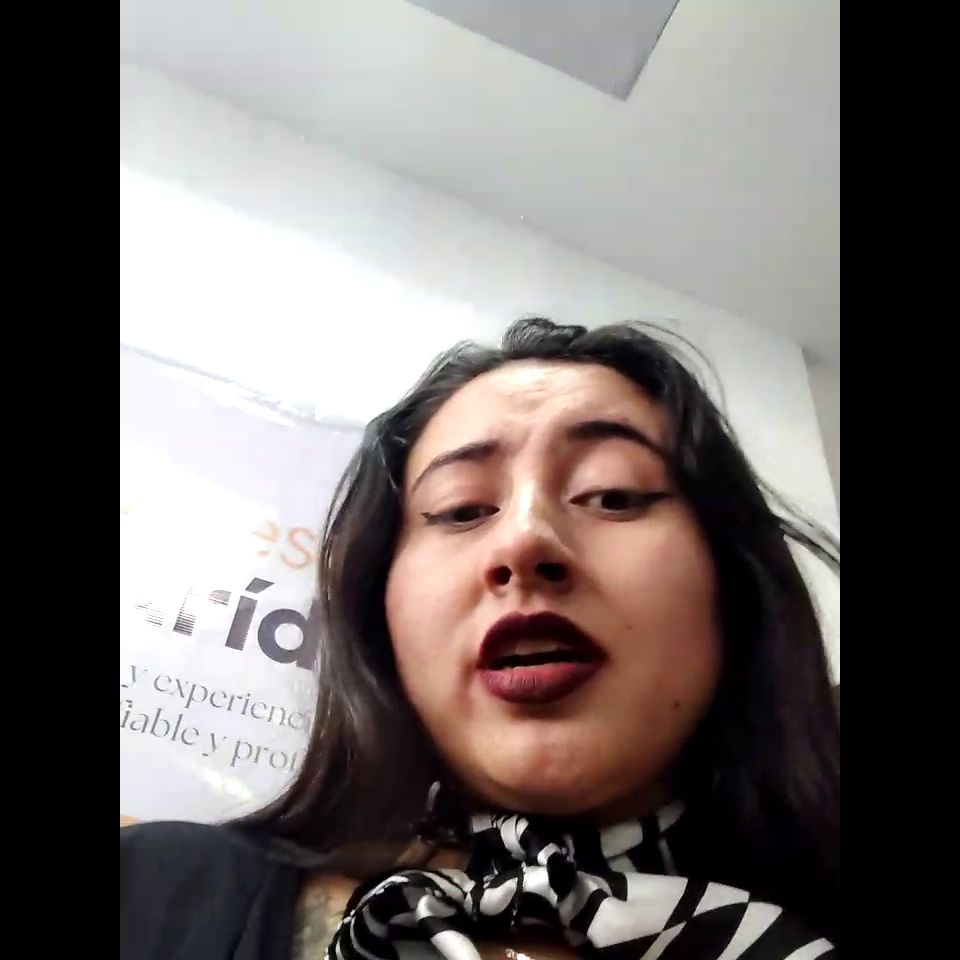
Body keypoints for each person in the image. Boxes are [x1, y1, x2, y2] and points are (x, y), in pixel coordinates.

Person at [121, 318, 840, 959]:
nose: (525, 539)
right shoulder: (151, 891)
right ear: (381, 612)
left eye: (614, 494)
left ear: (732, 584)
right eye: (461, 509)